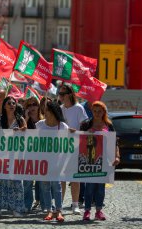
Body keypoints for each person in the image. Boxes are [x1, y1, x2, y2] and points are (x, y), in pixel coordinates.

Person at [79, 101, 120, 221]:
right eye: (95, 111)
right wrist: (86, 134)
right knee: (89, 187)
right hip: (89, 159)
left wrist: (117, 156)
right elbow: (78, 140)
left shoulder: (109, 125)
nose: (97, 113)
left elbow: (115, 143)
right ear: (92, 111)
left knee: (100, 188)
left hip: (105, 160)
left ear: (104, 112)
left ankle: (98, 211)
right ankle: (87, 211)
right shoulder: (86, 124)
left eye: (99, 111)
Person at [0, 96, 26, 217]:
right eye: (9, 103)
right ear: (4, 106)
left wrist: (21, 130)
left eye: (14, 103)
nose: (12, 105)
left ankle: (16, 208)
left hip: (16, 157)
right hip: (0, 157)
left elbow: (26, 131)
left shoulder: (20, 119)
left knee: (16, 182)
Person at [58, 84, 88, 214]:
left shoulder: (78, 108)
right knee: (61, 178)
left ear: (70, 94)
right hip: (61, 148)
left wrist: (76, 131)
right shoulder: (59, 109)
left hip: (75, 147)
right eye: (59, 93)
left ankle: (75, 204)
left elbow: (85, 126)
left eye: (63, 94)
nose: (60, 96)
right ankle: (59, 203)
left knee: (74, 178)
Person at [37, 101, 68, 222]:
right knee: (45, 185)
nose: (45, 112)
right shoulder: (39, 125)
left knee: (57, 185)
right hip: (43, 161)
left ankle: (59, 210)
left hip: (58, 161)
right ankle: (49, 210)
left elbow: (68, 143)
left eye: (48, 110)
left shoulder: (63, 126)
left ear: (54, 111)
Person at [23, 97, 43, 213]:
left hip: (41, 155)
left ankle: (39, 201)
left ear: (38, 106)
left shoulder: (44, 120)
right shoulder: (24, 120)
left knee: (41, 181)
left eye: (34, 104)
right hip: (27, 155)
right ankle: (27, 203)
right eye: (29, 105)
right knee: (27, 182)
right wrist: (25, 118)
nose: (32, 107)